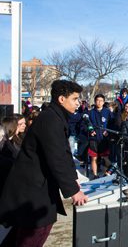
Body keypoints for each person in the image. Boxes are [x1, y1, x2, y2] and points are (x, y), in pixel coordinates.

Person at [0, 80, 88, 246]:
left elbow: (65, 153)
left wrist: (73, 178)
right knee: (33, 235)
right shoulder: (50, 120)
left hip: (38, 189)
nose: (78, 103)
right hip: (31, 191)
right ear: (62, 99)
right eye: (75, 98)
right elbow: (56, 158)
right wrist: (73, 191)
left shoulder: (56, 117)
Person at [88, 94, 112, 178]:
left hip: (104, 138)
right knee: (94, 158)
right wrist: (90, 130)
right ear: (95, 101)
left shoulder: (107, 112)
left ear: (103, 102)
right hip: (93, 138)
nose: (99, 102)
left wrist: (108, 132)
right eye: (97, 100)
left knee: (105, 157)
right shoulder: (91, 112)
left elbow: (111, 123)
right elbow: (86, 123)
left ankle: (106, 174)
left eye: (101, 100)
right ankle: (95, 175)